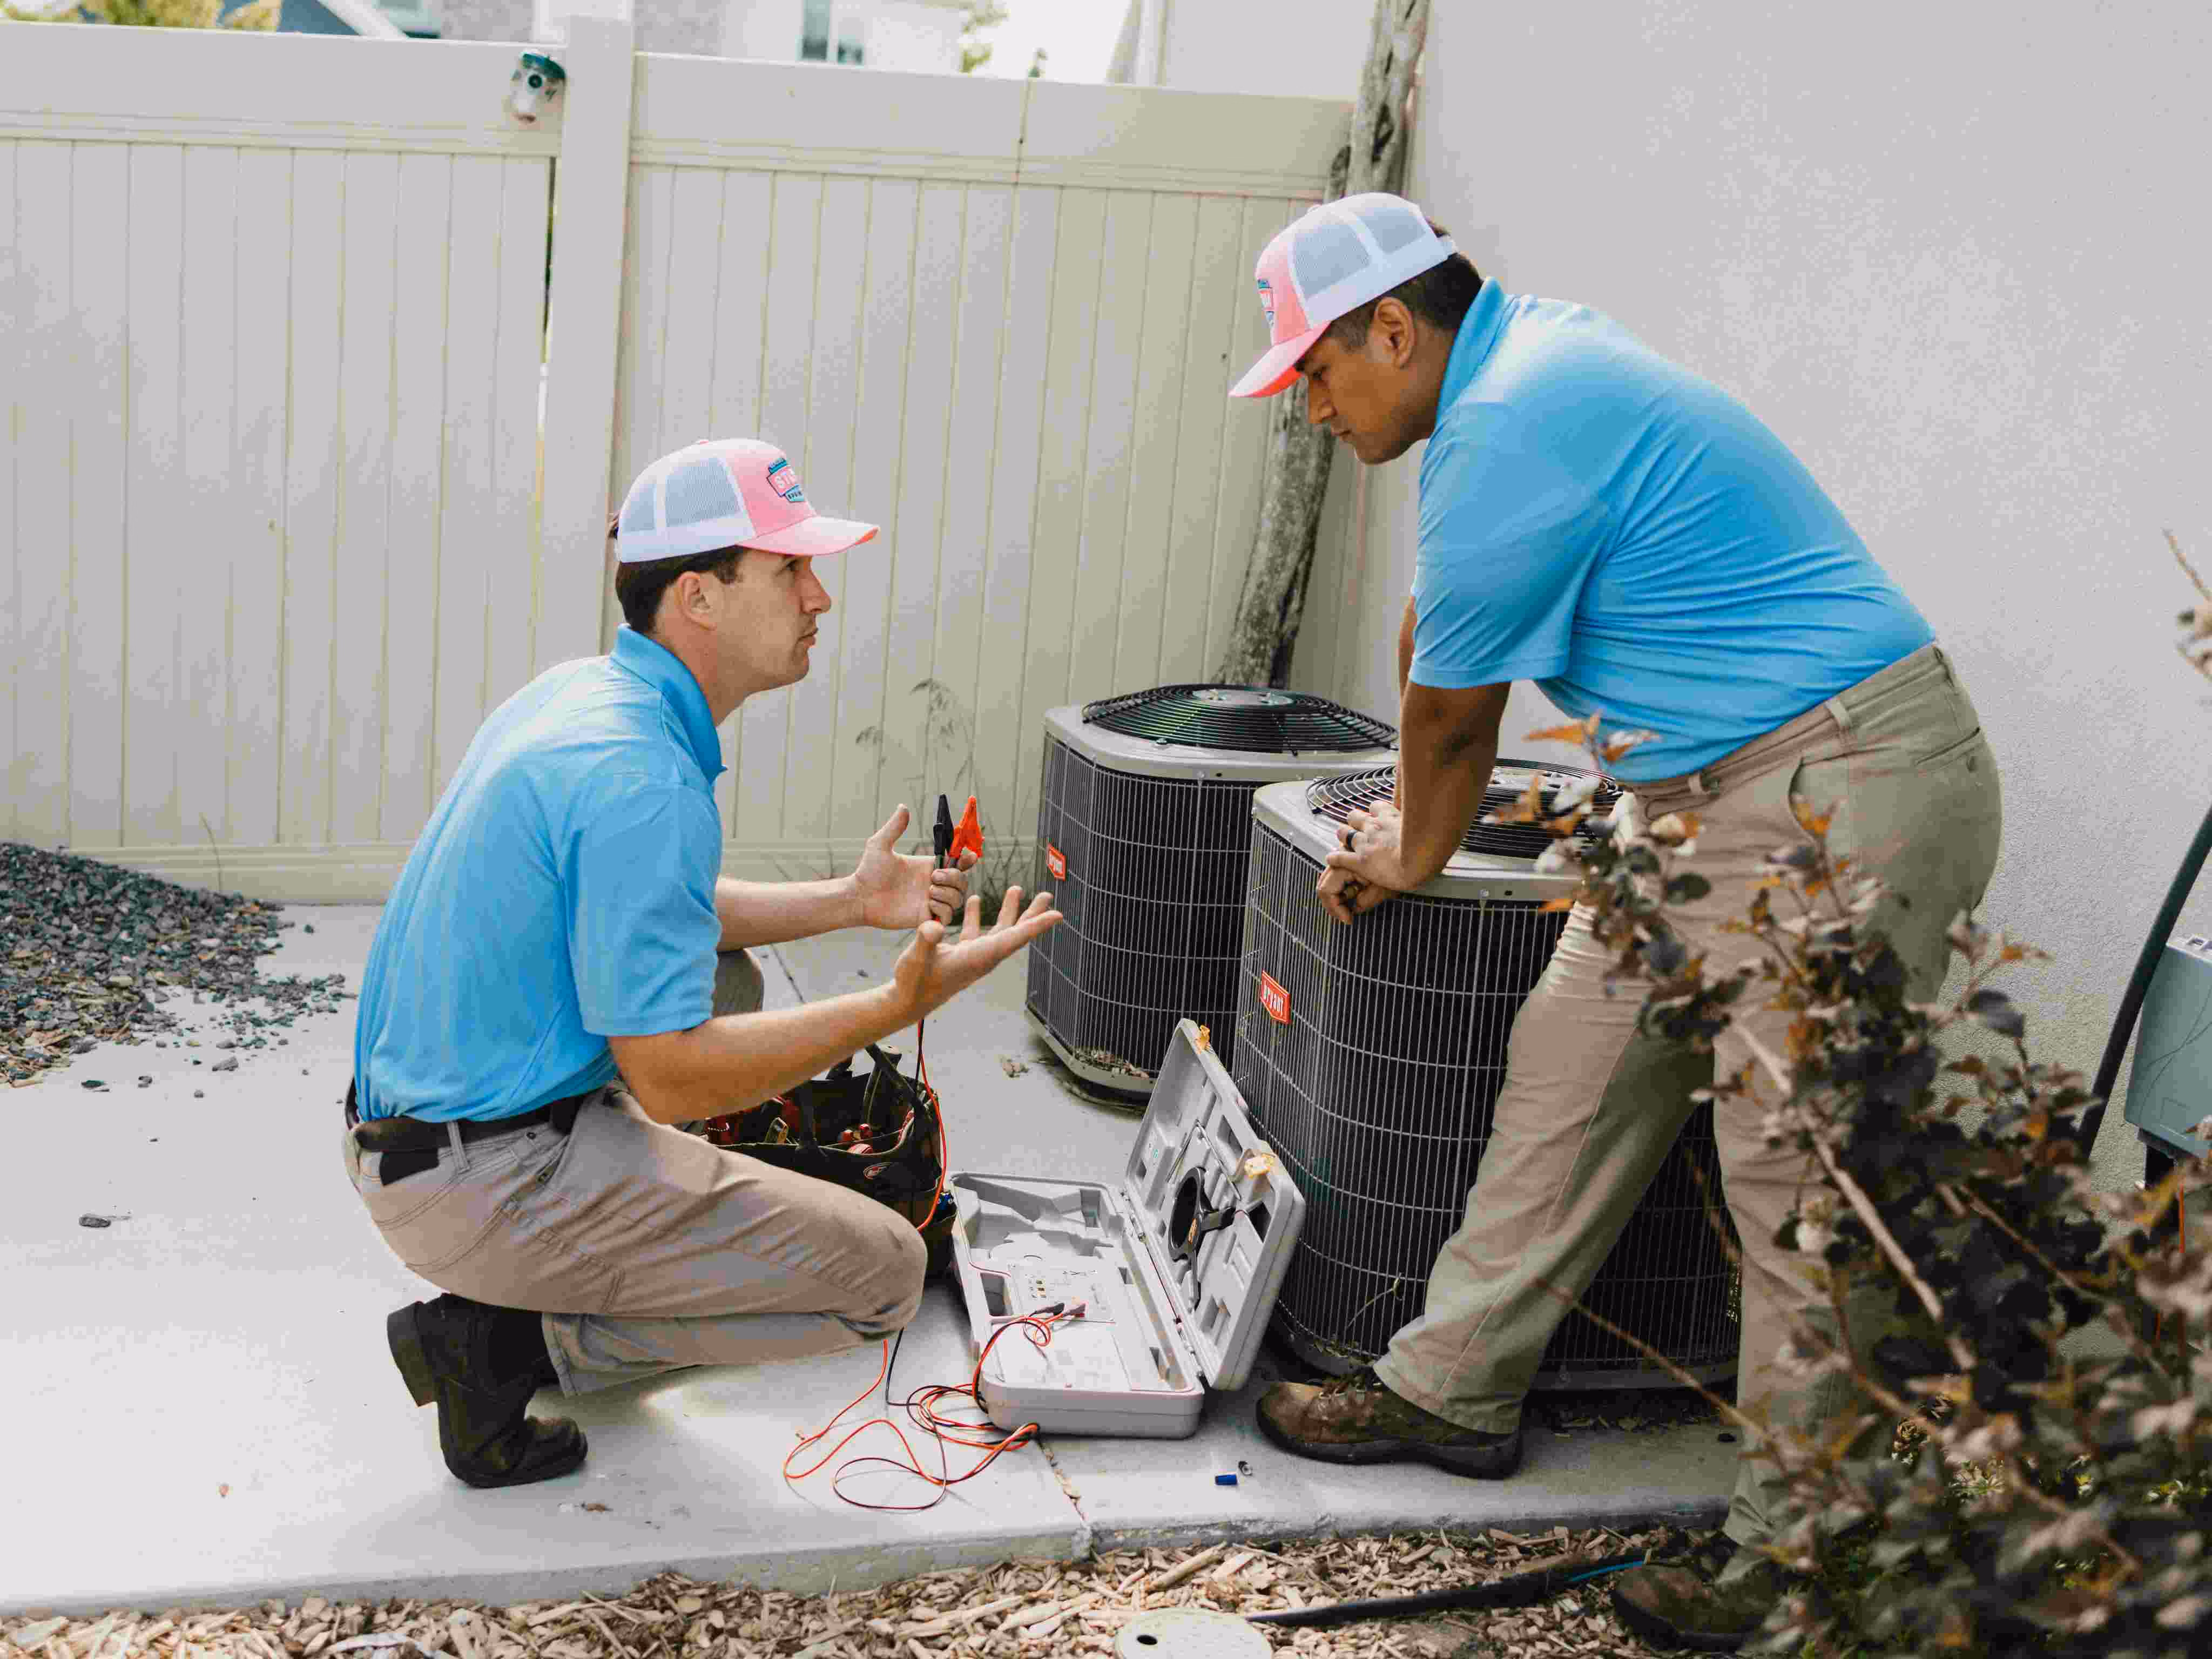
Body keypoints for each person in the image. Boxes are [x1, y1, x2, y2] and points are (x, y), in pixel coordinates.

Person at [1226, 195, 2002, 1651]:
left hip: (1839, 787)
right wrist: (1417, 827)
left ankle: (1807, 1561)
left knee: (1797, 1180)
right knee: (1575, 1062)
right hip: (1702, 798)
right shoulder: (1512, 388)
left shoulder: (1513, 414)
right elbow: (1433, 639)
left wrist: (1413, 850)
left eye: (1315, 374)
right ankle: (1453, 1387)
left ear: (1391, 329)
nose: (1311, 410)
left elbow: (1449, 723)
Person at [343, 437, 1060, 1492]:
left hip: (425, 1137)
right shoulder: (640, 775)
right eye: (790, 569)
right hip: (478, 1182)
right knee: (885, 1274)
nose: (819, 596)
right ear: (699, 597)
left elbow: (651, 908)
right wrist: (891, 1003)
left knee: (726, 981)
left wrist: (850, 901)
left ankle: (600, 1243)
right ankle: (502, 1345)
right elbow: (672, 1077)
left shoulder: (587, 698)